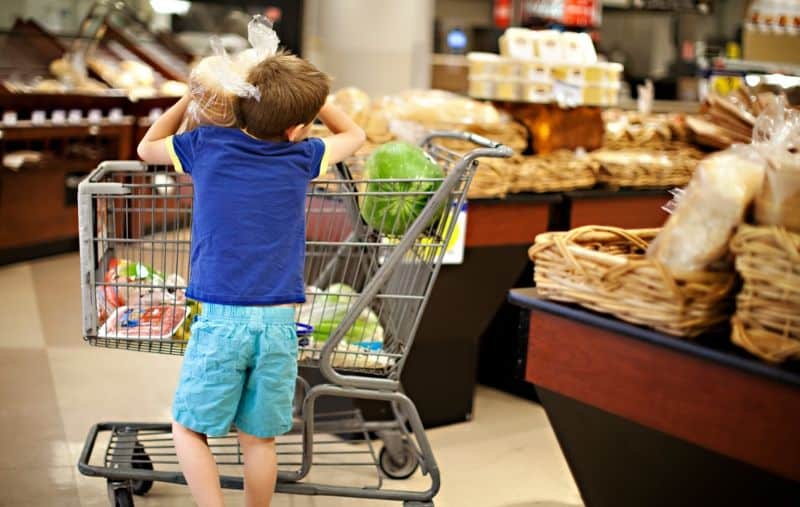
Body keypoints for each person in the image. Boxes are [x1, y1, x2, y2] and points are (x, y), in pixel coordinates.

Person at [136, 53, 366, 507]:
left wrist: (190, 97)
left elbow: (147, 148)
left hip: (221, 321)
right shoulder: (303, 155)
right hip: (280, 323)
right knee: (259, 439)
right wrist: (311, 107)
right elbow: (354, 135)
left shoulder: (205, 146)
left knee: (188, 427)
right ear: (299, 126)